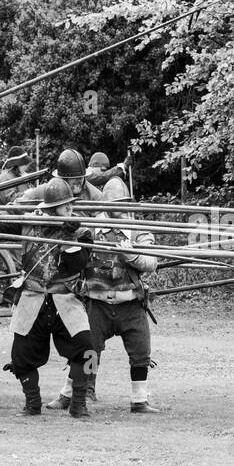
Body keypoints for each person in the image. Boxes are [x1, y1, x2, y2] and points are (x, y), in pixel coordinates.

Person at [63, 175, 159, 413]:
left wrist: (131, 256)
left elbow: (151, 262)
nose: (121, 209)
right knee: (89, 352)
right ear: (105, 205)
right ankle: (79, 393)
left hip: (130, 302)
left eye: (124, 203)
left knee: (140, 352)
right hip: (97, 303)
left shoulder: (138, 229)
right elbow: (72, 251)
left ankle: (139, 400)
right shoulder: (92, 228)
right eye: (116, 204)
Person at [5, 177, 93, 418]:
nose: (71, 211)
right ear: (51, 209)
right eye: (66, 207)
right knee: (20, 358)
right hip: (32, 299)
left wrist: (68, 238)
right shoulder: (29, 225)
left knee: (88, 351)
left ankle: (78, 402)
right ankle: (32, 402)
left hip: (65, 300)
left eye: (71, 206)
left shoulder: (82, 233)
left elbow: (77, 264)